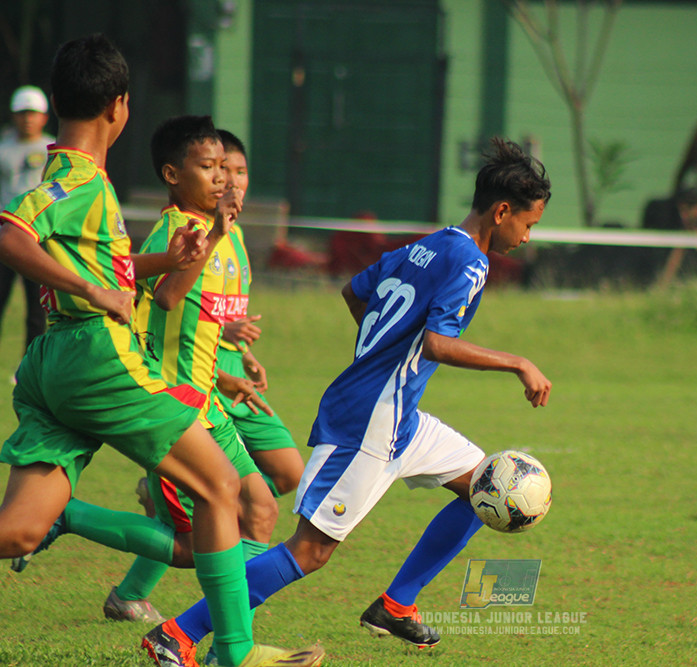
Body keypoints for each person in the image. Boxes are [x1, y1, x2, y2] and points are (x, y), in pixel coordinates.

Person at [142, 136, 552, 663]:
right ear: (502, 211)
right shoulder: (471, 262)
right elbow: (436, 342)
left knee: (484, 483)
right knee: (309, 552)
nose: (527, 235)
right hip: (371, 420)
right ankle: (176, 634)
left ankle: (396, 604)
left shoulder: (425, 245)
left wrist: (379, 350)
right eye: (528, 223)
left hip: (396, 412)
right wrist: (518, 362)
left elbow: (354, 291)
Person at [0, 34, 322, 667]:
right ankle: (233, 653)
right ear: (120, 106)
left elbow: (103, 261)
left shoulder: (82, 178)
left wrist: (150, 264)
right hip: (96, 358)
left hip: (54, 368)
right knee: (221, 487)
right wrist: (95, 289)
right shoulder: (79, 179)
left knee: (21, 529)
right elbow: (11, 233)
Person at [99, 118, 286, 633]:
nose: (223, 178)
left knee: (262, 510)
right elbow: (165, 296)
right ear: (173, 175)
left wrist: (230, 357)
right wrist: (216, 233)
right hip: (177, 403)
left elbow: (193, 318)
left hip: (209, 397)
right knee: (194, 543)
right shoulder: (176, 228)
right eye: (211, 168)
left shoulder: (225, 232)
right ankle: (63, 519)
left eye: (226, 168)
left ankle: (219, 627)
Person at [214, 129, 304, 498]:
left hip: (240, 380)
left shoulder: (236, 236)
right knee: (235, 508)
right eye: (222, 169)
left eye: (241, 171)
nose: (234, 180)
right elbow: (169, 314)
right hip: (203, 381)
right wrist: (222, 333)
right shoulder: (194, 234)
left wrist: (246, 354)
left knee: (290, 475)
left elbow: (227, 313)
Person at [0, 85, 52, 364]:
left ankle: (28, 366)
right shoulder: (3, 148)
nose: (27, 119)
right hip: (3, 236)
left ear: (44, 116)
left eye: (33, 113)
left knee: (36, 308)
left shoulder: (52, 148)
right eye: (22, 113)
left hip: (36, 239)